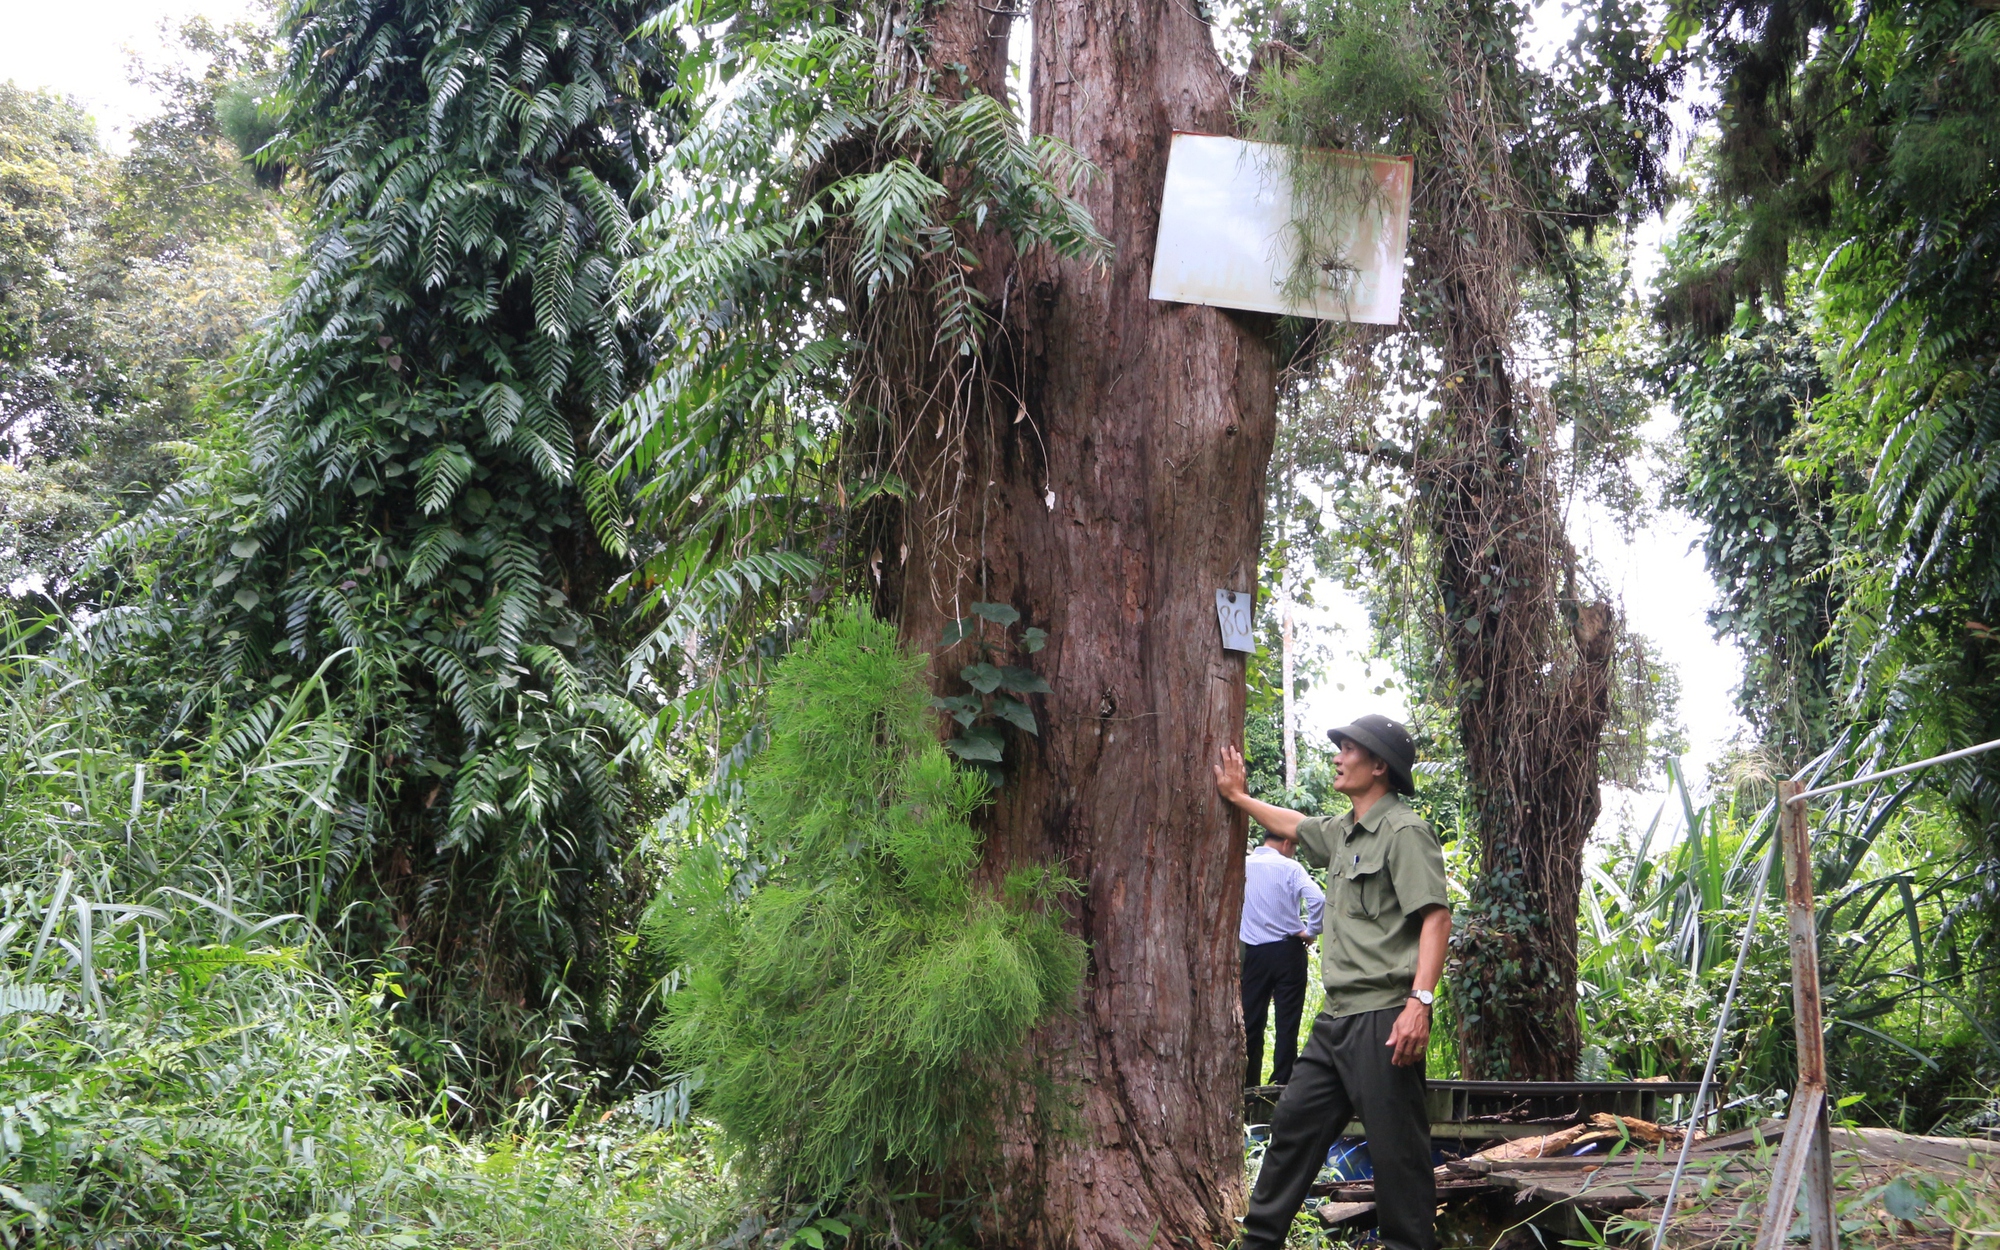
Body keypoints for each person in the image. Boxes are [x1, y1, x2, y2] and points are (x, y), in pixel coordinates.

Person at [1214, 714, 1452, 1250]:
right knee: (1293, 1130)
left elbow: (1436, 918)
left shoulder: (1404, 832)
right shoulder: (1343, 832)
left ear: (1379, 766)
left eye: (1349, 749)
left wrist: (1420, 1001)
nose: (1339, 756)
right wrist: (1237, 795)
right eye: (1340, 747)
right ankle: (1260, 1243)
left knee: (1397, 1155)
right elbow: (1293, 824)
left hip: (1385, 1017)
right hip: (1336, 1018)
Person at [1241, 826, 1324, 1088]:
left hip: (1255, 953)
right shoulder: (1291, 868)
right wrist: (1311, 932)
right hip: (1289, 951)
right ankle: (1282, 1081)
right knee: (1287, 1021)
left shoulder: (1243, 865)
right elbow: (1318, 899)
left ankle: (1247, 1082)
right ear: (1287, 842)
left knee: (1251, 1020)